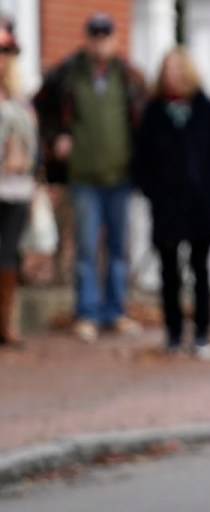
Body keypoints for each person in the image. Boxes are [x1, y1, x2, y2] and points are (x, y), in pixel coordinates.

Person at [33, 12, 146, 343]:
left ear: (114, 39)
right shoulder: (67, 74)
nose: (100, 42)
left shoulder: (128, 77)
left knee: (117, 246)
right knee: (84, 246)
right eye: (94, 35)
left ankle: (116, 310)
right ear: (86, 38)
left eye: (106, 35)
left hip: (120, 175)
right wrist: (56, 139)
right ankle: (87, 312)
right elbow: (40, 109)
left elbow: (142, 120)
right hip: (82, 175)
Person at [131, 47, 210, 361]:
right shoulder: (154, 112)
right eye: (167, 70)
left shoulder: (208, 108)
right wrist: (152, 190)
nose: (173, 76)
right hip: (166, 204)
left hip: (200, 203)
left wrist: (209, 185)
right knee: (169, 272)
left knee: (200, 270)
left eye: (178, 70)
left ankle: (202, 333)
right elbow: (141, 159)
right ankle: (173, 334)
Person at [0, 17, 37, 348]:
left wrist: (26, 161)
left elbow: (32, 144)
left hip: (16, 189)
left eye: (6, 51)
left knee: (8, 256)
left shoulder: (20, 100)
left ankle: (5, 324)